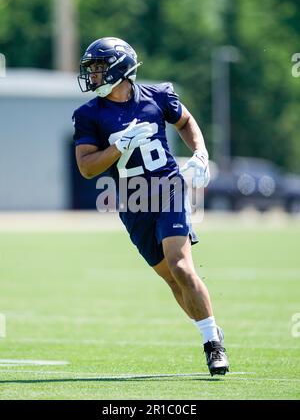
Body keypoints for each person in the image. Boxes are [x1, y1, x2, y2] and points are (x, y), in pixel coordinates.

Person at [73, 37, 229, 376]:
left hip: (168, 187)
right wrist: (117, 147)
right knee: (173, 280)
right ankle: (210, 328)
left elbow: (185, 122)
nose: (93, 76)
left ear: (119, 68)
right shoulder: (89, 115)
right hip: (133, 200)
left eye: (98, 68)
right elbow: (86, 167)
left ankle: (211, 345)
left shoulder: (156, 96)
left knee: (182, 267)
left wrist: (201, 152)